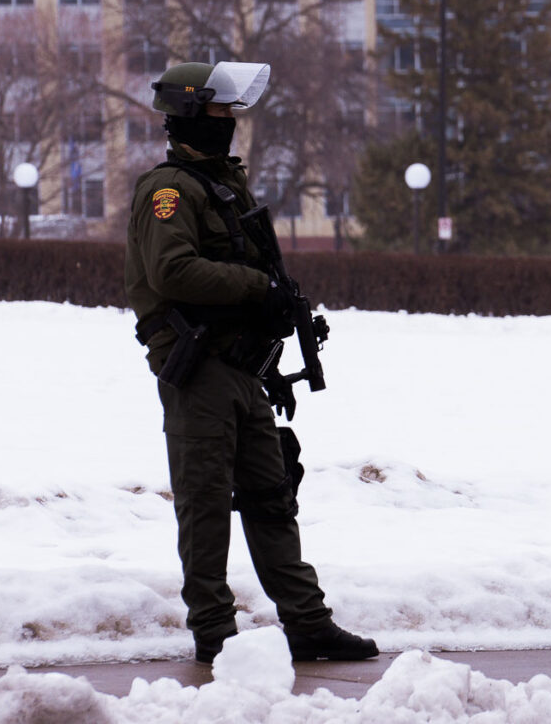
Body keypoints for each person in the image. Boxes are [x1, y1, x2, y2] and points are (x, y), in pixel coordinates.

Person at [125, 61, 378, 665]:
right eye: (219, 114)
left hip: (240, 369)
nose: (230, 124)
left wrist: (274, 320)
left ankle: (307, 623)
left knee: (272, 493)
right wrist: (254, 289)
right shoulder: (169, 190)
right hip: (200, 367)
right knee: (205, 500)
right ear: (189, 114)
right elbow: (172, 271)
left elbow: (253, 271)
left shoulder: (224, 184)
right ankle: (213, 631)